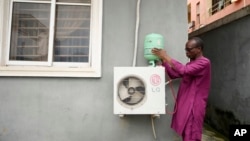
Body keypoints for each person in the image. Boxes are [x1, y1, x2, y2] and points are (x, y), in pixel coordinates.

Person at [152, 37, 211, 141]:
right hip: (186, 104)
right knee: (186, 134)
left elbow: (184, 71)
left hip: (193, 106)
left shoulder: (204, 62)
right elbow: (175, 74)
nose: (186, 52)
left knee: (192, 135)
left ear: (199, 49)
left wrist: (166, 56)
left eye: (189, 49)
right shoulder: (191, 64)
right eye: (185, 50)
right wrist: (163, 60)